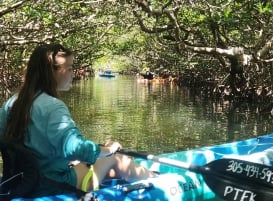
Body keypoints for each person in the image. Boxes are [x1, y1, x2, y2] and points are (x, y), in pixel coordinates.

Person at [0, 43, 156, 197]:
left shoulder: (11, 102)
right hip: (52, 184)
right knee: (116, 160)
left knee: (86, 163)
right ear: (51, 72)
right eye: (68, 68)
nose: (72, 73)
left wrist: (70, 159)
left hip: (20, 182)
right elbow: (75, 149)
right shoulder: (54, 107)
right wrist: (109, 150)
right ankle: (159, 182)